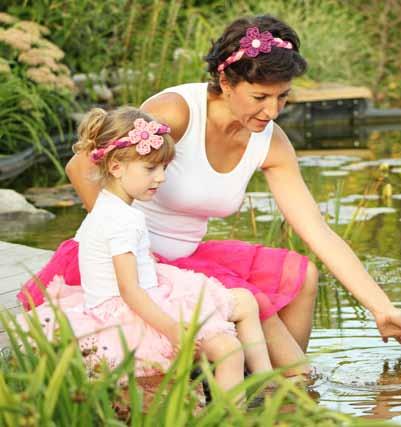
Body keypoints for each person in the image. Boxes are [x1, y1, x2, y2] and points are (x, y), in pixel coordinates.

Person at [18, 15, 401, 372]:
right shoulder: (177, 111)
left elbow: (317, 231)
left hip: (188, 256)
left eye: (283, 96)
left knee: (301, 275)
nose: (273, 111)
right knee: (252, 303)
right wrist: (135, 251)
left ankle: (273, 389)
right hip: (133, 261)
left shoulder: (272, 143)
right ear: (226, 81)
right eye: (260, 97)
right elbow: (82, 167)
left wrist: (381, 307)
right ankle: (288, 384)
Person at [18, 107, 276, 394]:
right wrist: (172, 329)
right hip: (131, 313)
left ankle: (267, 384)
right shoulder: (121, 220)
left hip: (145, 292)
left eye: (164, 167)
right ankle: (235, 414)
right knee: (228, 350)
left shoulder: (108, 207)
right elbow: (130, 290)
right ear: (116, 167)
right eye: (151, 168)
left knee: (245, 301)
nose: (161, 177)